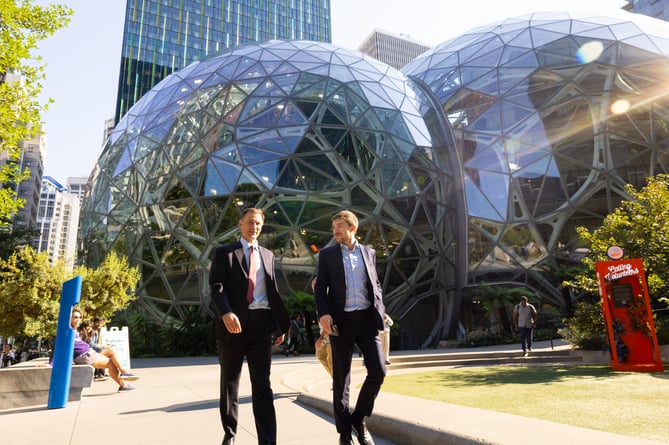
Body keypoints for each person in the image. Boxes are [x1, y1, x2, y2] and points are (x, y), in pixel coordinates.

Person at [209, 207, 290, 445]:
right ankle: (230, 434)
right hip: (233, 326)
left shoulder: (268, 254)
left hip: (262, 326)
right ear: (240, 224)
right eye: (250, 222)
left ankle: (268, 439)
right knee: (229, 384)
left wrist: (279, 326)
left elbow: (272, 293)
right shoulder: (225, 253)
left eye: (258, 224)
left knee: (263, 385)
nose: (254, 227)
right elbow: (216, 286)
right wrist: (226, 312)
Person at [314, 210, 386, 445]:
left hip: (366, 321)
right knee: (341, 379)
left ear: (352, 228)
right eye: (333, 226)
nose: (335, 230)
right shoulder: (327, 255)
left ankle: (358, 418)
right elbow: (320, 288)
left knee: (378, 371)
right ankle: (344, 433)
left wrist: (381, 311)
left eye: (339, 226)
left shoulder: (369, 253)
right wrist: (323, 314)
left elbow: (375, 284)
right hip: (341, 323)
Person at [67, 308, 139, 391]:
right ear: (70, 318)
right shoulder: (68, 331)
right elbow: (58, 346)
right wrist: (51, 362)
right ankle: (123, 385)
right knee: (110, 364)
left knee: (111, 351)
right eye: (75, 317)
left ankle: (123, 373)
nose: (78, 320)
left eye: (79, 317)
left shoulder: (74, 330)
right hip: (84, 356)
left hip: (89, 353)